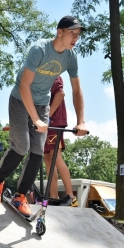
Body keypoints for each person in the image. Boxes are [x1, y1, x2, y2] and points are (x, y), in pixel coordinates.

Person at [0, 15, 88, 217]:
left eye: (78, 35)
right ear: (59, 31)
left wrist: (81, 121)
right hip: (19, 99)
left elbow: (76, 90)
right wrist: (35, 119)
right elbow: (24, 85)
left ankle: (20, 196)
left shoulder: (71, 56)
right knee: (21, 147)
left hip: (42, 103)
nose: (75, 38)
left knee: (37, 151)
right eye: (72, 33)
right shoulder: (39, 49)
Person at [44, 76, 78, 207]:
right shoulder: (39, 75)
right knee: (47, 158)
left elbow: (60, 94)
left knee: (56, 157)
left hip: (54, 121)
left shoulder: (53, 74)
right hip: (45, 123)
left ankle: (71, 196)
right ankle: (54, 196)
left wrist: (48, 116)